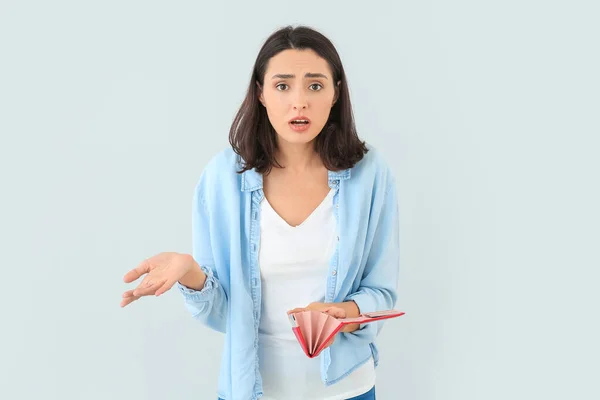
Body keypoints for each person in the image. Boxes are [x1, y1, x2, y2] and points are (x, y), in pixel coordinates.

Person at [120, 25, 400, 400]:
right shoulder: (222, 179)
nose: (299, 102)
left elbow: (381, 291)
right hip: (252, 391)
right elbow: (222, 314)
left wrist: (343, 312)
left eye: (315, 86)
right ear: (261, 94)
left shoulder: (370, 174)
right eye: (283, 86)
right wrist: (191, 274)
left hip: (348, 389)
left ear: (335, 93)